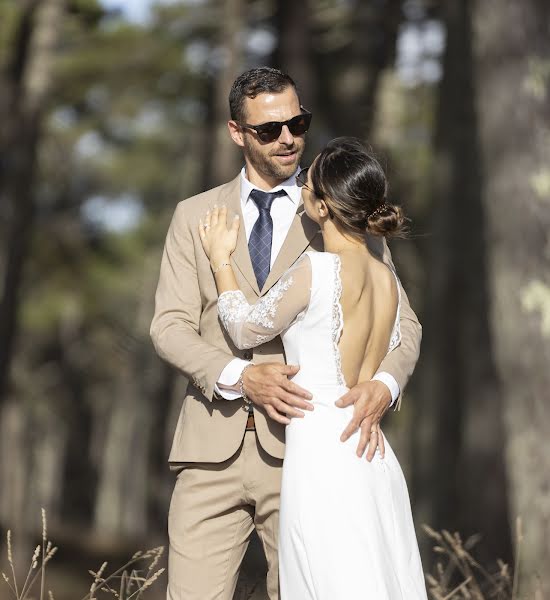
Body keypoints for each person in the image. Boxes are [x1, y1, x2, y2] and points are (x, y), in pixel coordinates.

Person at [150, 67, 422, 600]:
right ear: (236, 132)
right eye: (269, 129)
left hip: (310, 453)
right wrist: (239, 376)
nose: (288, 138)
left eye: (297, 123)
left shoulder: (341, 209)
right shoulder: (193, 215)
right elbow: (169, 326)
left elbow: (403, 325)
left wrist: (383, 386)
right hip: (210, 452)